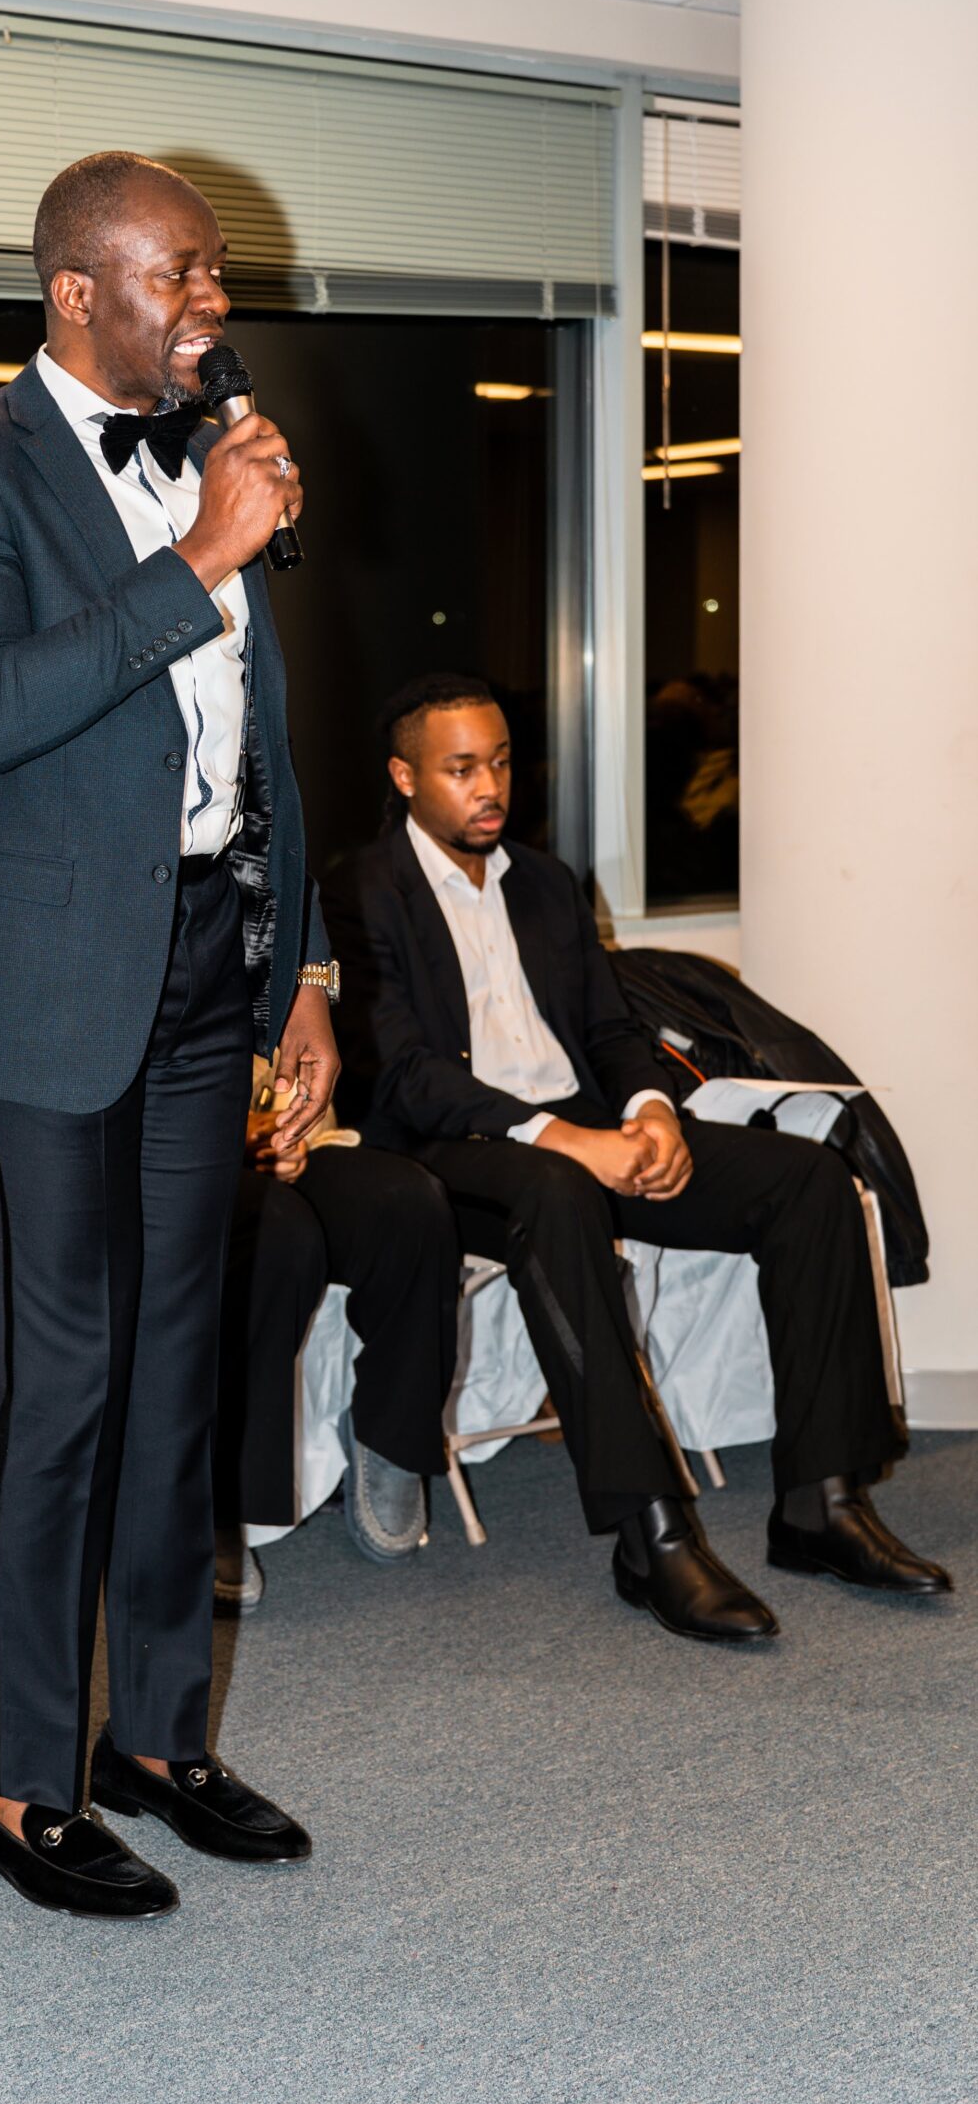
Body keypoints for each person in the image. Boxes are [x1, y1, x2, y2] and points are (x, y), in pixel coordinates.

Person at [0, 150, 341, 1920]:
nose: (209, 304)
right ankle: (14, 1780)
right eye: (179, 275)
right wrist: (201, 555)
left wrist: (304, 974)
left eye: (215, 274)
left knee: (177, 1362)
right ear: (76, 291)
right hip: (49, 976)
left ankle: (154, 1737)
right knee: (66, 1367)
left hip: (209, 960)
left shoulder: (215, 453)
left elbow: (259, 746)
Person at [324, 670, 950, 1643]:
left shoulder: (544, 882)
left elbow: (610, 1030)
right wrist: (569, 1141)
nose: (489, 787)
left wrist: (652, 1112)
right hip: (455, 1151)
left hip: (584, 1129)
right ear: (405, 777)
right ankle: (647, 1533)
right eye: (461, 769)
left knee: (807, 1180)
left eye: (499, 763)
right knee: (557, 1189)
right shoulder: (358, 890)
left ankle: (820, 1503)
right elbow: (401, 1072)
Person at [214, 1061, 459, 1601]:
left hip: (295, 1141)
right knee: (279, 1234)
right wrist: (235, 1136)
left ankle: (392, 1438)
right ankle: (213, 1501)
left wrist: (294, 1129)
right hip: (182, 1156)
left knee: (410, 1203)